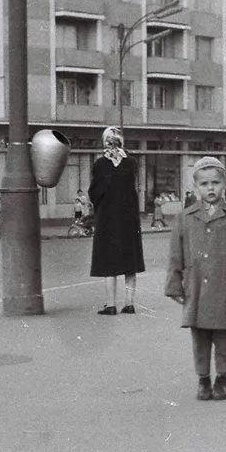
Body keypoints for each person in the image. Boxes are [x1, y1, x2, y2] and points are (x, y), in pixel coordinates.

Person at [165, 156, 226, 401]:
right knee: (200, 336)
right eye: (204, 184)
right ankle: (203, 378)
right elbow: (175, 256)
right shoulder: (184, 218)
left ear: (224, 183)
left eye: (215, 182)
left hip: (225, 287)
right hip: (195, 287)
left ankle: (222, 378)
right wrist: (174, 286)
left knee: (224, 335)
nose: (210, 188)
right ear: (195, 187)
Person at [89, 126, 145, 315]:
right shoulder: (131, 163)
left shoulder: (100, 164)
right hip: (129, 219)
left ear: (105, 143)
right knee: (130, 263)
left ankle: (111, 305)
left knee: (109, 262)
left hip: (107, 219)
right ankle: (129, 304)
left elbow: (95, 193)